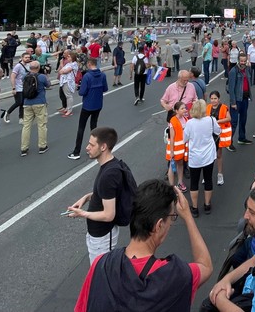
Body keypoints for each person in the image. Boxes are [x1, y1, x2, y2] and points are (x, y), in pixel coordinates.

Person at [74, 179, 212, 312]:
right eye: (172, 217)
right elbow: (206, 265)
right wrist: (187, 216)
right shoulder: (174, 277)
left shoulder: (101, 264)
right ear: (159, 225)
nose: (171, 223)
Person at [67, 127, 128, 262]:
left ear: (103, 147)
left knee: (101, 275)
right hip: (97, 234)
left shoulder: (109, 175)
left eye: (91, 144)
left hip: (103, 236)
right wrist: (87, 197)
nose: (87, 148)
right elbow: (106, 194)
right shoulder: (110, 166)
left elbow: (109, 214)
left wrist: (81, 213)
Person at [183, 99, 220, 217]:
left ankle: (194, 207)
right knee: (208, 179)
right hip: (208, 155)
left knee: (194, 182)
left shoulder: (190, 123)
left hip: (195, 157)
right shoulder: (211, 120)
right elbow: (218, 131)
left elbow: (185, 138)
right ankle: (207, 205)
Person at [69, 58, 109, 160]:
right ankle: (95, 148)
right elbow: (105, 88)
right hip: (98, 104)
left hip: (87, 105)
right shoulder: (102, 75)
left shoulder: (87, 76)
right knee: (94, 127)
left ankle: (76, 151)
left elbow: (82, 92)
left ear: (89, 64)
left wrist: (80, 87)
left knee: (81, 128)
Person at [20, 60, 51, 156]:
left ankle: (24, 148)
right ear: (38, 68)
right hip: (39, 102)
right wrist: (46, 74)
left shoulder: (25, 77)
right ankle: (42, 146)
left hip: (27, 102)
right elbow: (48, 84)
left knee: (26, 126)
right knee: (41, 125)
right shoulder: (41, 77)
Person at [207, 90, 233, 182]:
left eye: (215, 98)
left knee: (218, 155)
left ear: (219, 99)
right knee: (209, 156)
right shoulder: (208, 107)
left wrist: (216, 122)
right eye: (212, 98)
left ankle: (220, 174)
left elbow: (229, 118)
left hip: (219, 135)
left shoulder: (224, 107)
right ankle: (207, 175)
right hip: (210, 135)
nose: (213, 100)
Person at [227, 53, 253, 145]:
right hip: (237, 100)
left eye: (244, 61)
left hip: (245, 99)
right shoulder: (234, 71)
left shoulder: (247, 69)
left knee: (243, 119)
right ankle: (229, 142)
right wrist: (233, 102)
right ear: (238, 60)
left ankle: (242, 138)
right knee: (234, 122)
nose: (243, 63)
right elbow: (231, 88)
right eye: (241, 61)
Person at [166, 101, 189, 191]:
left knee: (180, 164)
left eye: (185, 108)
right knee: (172, 166)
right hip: (174, 148)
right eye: (182, 108)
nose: (185, 110)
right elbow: (172, 137)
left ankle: (180, 183)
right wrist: (171, 151)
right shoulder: (173, 121)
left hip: (182, 148)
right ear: (176, 110)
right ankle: (172, 187)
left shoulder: (186, 119)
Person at [5, 51, 33, 123]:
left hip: (25, 87)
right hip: (18, 87)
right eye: (26, 57)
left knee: (23, 103)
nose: (27, 59)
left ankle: (21, 118)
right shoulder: (18, 66)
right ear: (22, 58)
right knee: (19, 102)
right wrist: (13, 88)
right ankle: (8, 112)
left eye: (28, 57)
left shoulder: (29, 65)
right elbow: (12, 77)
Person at [58, 50, 79, 117]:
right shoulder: (68, 64)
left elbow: (66, 71)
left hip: (68, 81)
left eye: (69, 57)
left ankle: (69, 110)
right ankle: (67, 108)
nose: (67, 58)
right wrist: (62, 71)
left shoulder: (74, 64)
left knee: (68, 95)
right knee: (66, 95)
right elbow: (61, 70)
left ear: (72, 57)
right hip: (64, 80)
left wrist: (63, 71)